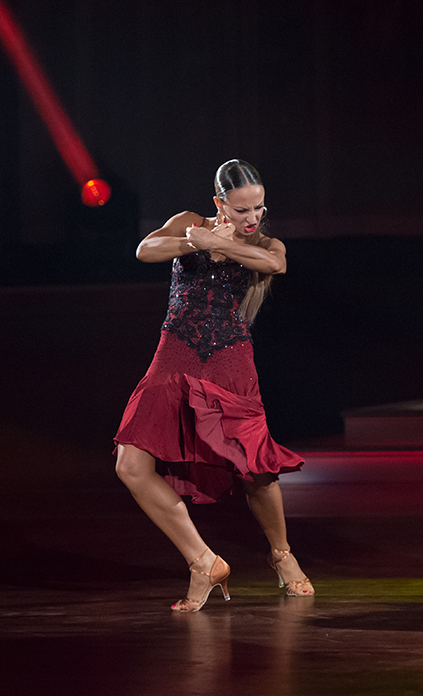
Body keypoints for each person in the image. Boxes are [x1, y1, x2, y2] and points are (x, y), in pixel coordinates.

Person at [114, 159, 314, 611]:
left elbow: (274, 263)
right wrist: (194, 240)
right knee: (130, 465)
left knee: (256, 471)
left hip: (229, 359)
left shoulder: (264, 242)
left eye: (258, 208)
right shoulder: (190, 224)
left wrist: (221, 244)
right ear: (220, 203)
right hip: (175, 354)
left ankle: (281, 555)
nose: (252, 218)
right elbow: (145, 250)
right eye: (242, 210)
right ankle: (203, 561)